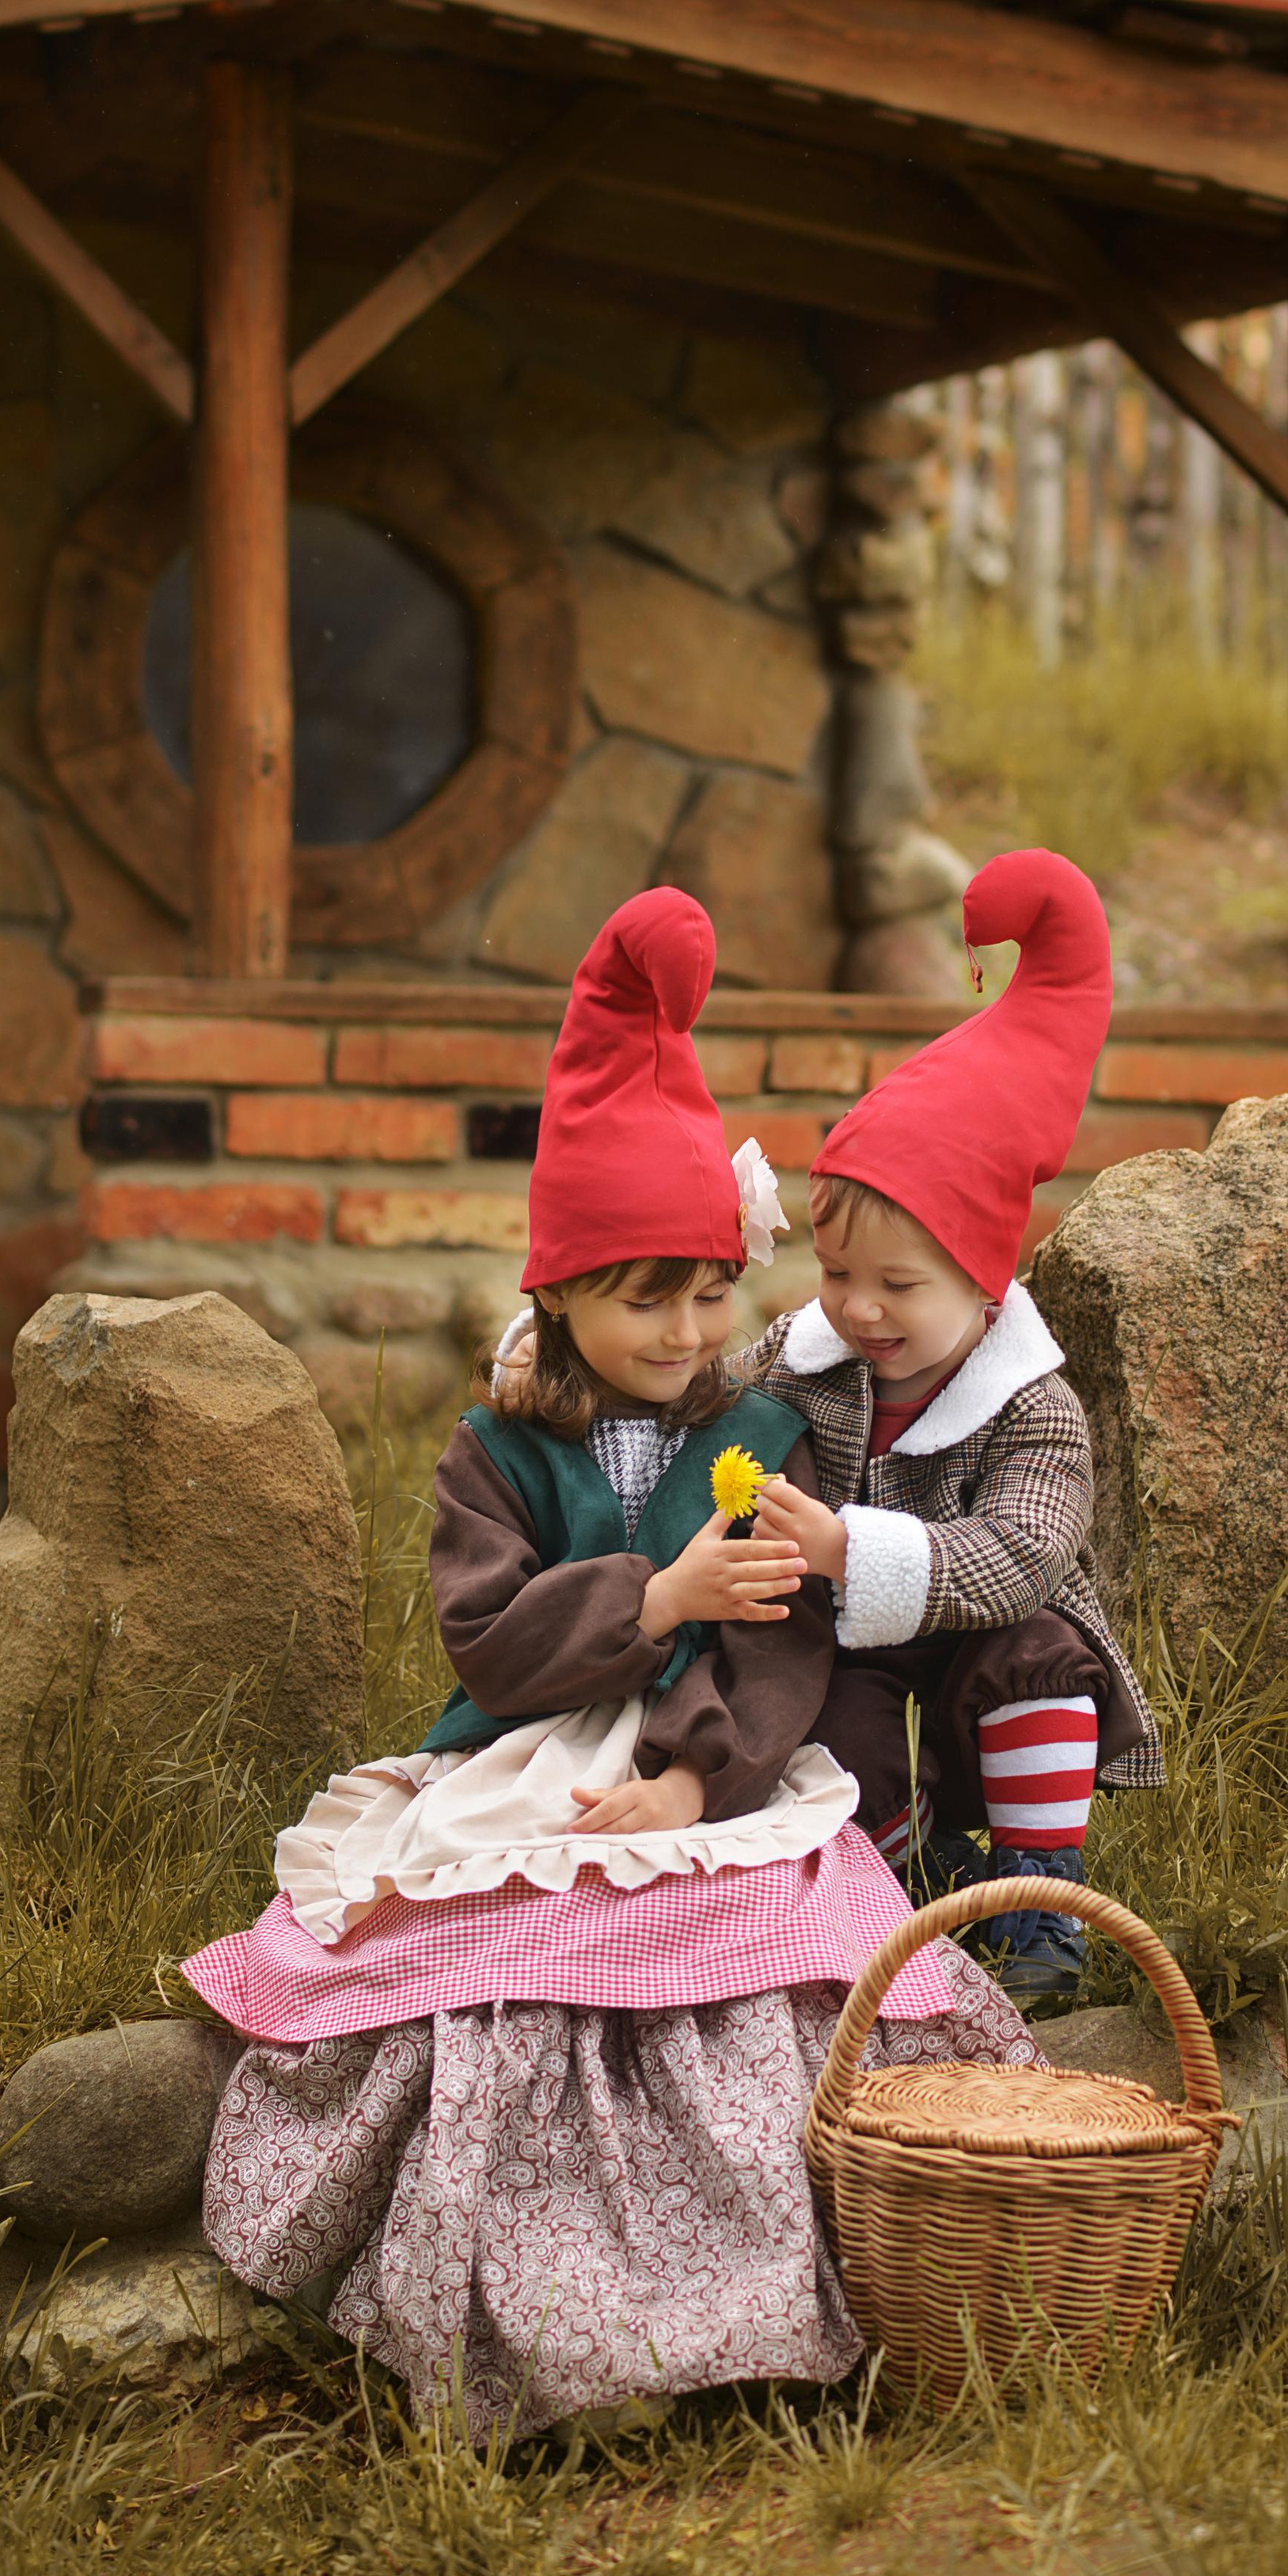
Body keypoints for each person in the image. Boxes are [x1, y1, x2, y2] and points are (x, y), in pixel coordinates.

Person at [184, 887, 1039, 2440]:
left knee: (751, 1956)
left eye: (711, 1290)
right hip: (530, 1751)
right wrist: (656, 1593)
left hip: (713, 1760)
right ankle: (543, 2318)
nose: (686, 1328)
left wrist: (694, 1779)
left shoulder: (759, 1429)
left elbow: (783, 1640)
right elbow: (490, 1640)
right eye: (646, 1296)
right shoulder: (492, 1452)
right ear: (562, 1290)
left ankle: (734, 2295)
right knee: (508, 1951)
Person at [738, 849, 1164, 2003]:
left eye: (899, 1286)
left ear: (984, 1287)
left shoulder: (1032, 1405)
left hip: (990, 1638)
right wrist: (576, 1370)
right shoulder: (807, 1357)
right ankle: (916, 1875)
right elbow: (705, 1400)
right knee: (826, 1725)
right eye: (837, 1273)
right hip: (854, 1646)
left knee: (1044, 1657)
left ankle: (1039, 1893)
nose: (860, 1309)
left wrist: (848, 1547)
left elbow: (1026, 1552)